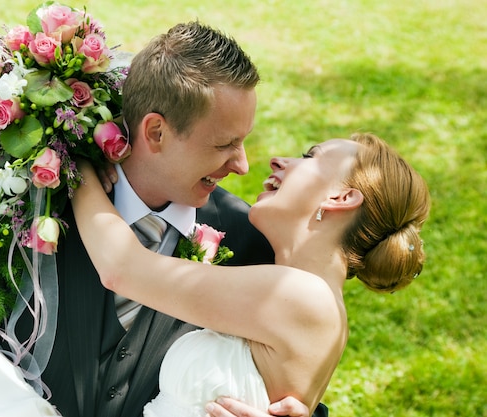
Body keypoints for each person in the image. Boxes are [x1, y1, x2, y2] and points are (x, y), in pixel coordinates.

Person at [23, 21, 326, 417]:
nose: (243, 165)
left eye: (243, 140)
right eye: (225, 144)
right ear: (156, 133)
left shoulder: (249, 241)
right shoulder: (40, 196)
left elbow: (283, 373)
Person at [70, 133, 431, 416]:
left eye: (311, 157)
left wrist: (74, 160)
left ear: (340, 198)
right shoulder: (306, 297)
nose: (279, 160)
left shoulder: (302, 296)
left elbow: (123, 268)